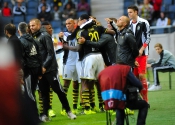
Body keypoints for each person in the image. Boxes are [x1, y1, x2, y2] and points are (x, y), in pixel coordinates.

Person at [63, 14, 115, 114]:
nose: (78, 23)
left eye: (79, 20)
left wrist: (67, 47)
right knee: (99, 83)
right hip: (100, 56)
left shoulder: (81, 31)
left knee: (85, 82)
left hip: (88, 57)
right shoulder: (98, 28)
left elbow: (78, 48)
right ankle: (103, 105)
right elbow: (112, 32)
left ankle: (87, 108)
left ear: (83, 20)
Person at [29, 19, 76, 121]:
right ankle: (45, 114)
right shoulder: (33, 37)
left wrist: (44, 67)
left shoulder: (45, 36)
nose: (31, 27)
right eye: (30, 26)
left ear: (38, 25)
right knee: (44, 93)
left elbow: (51, 53)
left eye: (33, 25)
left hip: (50, 69)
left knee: (59, 91)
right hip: (40, 71)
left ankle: (68, 111)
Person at [18, 22, 42, 124]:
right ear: (27, 29)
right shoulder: (34, 40)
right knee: (31, 92)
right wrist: (40, 71)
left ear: (19, 31)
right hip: (36, 70)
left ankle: (35, 117)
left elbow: (21, 59)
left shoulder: (21, 42)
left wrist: (22, 72)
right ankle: (35, 116)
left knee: (29, 94)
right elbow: (39, 56)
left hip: (28, 71)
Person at [128, 5, 151, 102]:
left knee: (142, 75)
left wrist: (141, 49)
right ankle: (138, 99)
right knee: (135, 77)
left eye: (130, 12)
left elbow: (148, 37)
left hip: (142, 53)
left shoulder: (144, 22)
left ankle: (145, 100)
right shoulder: (129, 24)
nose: (129, 14)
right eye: (128, 12)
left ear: (136, 12)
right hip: (133, 55)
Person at [58, 18, 79, 115]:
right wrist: (61, 38)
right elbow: (63, 42)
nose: (67, 25)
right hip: (68, 62)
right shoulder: (65, 34)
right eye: (66, 24)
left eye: (69, 23)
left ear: (74, 24)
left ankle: (75, 107)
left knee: (76, 84)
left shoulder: (79, 33)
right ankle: (64, 108)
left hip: (78, 62)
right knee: (66, 84)